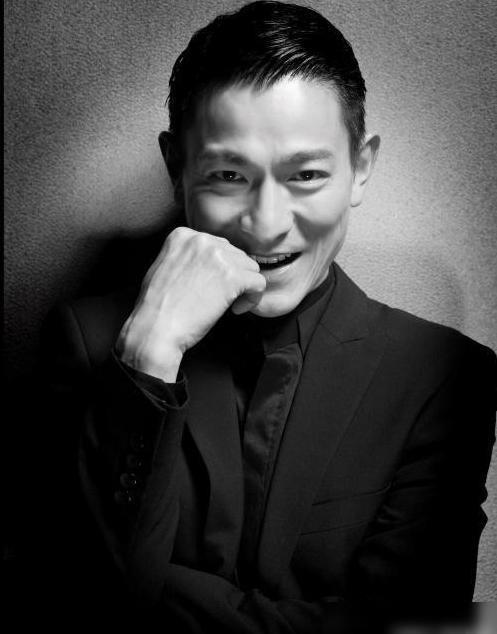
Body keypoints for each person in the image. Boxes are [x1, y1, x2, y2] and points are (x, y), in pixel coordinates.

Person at [37, 1, 496, 631]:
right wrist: (149, 354)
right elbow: (76, 606)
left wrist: (160, 595)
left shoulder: (446, 376)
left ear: (361, 168)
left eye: (306, 174)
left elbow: (414, 625)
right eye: (229, 174)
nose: (267, 223)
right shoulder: (86, 343)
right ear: (177, 169)